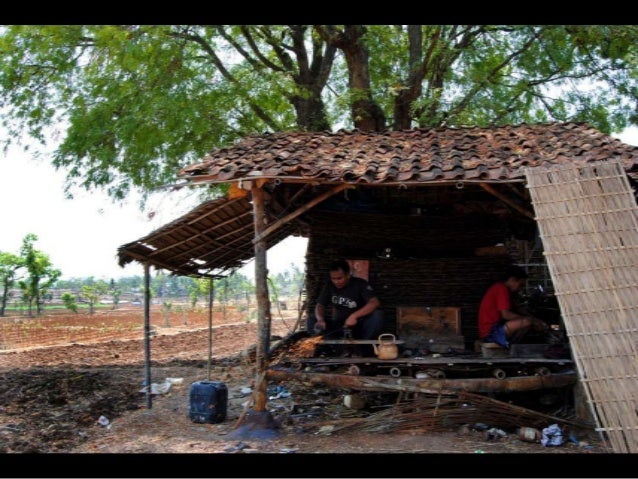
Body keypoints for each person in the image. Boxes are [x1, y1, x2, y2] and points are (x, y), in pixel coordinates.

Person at [310, 259, 384, 354]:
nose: (336, 282)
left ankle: (362, 347)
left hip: (359, 326)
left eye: (339, 278)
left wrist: (354, 316)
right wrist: (320, 319)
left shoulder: (360, 284)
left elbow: (374, 302)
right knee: (312, 320)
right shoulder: (329, 286)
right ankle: (333, 348)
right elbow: (320, 305)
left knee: (378, 315)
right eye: (333, 279)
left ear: (348, 275)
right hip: (339, 326)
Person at [478, 265, 548, 349]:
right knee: (527, 322)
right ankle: (510, 345)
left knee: (528, 321)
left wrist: (535, 319)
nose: (520, 288)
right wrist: (531, 320)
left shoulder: (506, 291)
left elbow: (519, 309)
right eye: (520, 285)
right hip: (491, 332)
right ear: (512, 280)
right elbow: (506, 315)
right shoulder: (501, 289)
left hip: (494, 330)